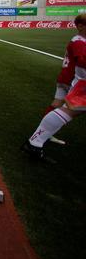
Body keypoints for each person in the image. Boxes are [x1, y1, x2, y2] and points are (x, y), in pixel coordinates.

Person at [22, 13, 86, 161]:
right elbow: (82, 61)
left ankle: (41, 135)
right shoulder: (78, 41)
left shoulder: (78, 40)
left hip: (69, 78)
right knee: (67, 109)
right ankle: (37, 139)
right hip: (72, 79)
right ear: (81, 26)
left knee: (58, 105)